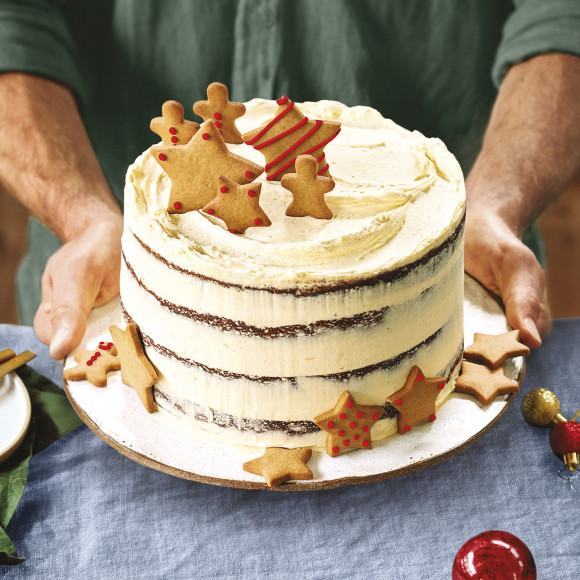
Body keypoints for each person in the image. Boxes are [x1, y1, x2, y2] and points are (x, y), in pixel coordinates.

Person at [0, 1, 578, 360]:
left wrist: (494, 204)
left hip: (456, 261)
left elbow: (563, 16)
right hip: (112, 283)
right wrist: (83, 217)